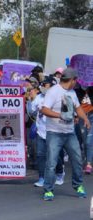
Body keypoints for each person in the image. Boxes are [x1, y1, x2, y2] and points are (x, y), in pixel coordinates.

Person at [41, 68, 90, 201]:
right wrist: (60, 115)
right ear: (72, 80)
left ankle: (78, 185)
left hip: (69, 133)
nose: (76, 83)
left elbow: (78, 107)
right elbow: (44, 109)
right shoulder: (53, 91)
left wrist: (84, 118)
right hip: (54, 133)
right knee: (51, 163)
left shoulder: (72, 92)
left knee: (78, 160)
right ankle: (48, 190)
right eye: (76, 80)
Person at [27, 85, 65, 187]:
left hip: (53, 131)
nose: (43, 87)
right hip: (41, 131)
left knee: (54, 155)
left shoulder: (57, 97)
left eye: (46, 86)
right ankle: (42, 178)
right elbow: (31, 111)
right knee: (40, 155)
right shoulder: (38, 97)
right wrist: (30, 100)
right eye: (42, 86)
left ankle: (60, 173)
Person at [75, 85, 93, 174]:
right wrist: (77, 116)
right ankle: (87, 161)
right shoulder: (77, 91)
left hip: (92, 116)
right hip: (82, 117)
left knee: (89, 141)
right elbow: (76, 106)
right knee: (85, 142)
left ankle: (89, 164)